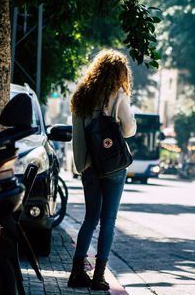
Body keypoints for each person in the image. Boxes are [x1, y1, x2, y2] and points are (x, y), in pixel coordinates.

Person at [68, 49, 137, 290]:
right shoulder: (117, 95)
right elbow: (128, 130)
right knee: (108, 220)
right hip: (114, 168)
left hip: (89, 167)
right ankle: (98, 276)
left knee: (90, 218)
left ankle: (77, 272)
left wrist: (82, 165)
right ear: (119, 74)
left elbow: (77, 136)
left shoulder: (81, 96)